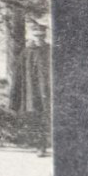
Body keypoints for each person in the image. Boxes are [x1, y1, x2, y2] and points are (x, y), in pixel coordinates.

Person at [22, 21, 52, 157]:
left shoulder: (50, 49)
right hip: (33, 91)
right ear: (32, 36)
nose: (39, 38)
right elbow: (21, 72)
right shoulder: (27, 51)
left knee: (48, 116)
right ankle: (40, 145)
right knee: (37, 116)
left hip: (49, 89)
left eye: (41, 36)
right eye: (36, 35)